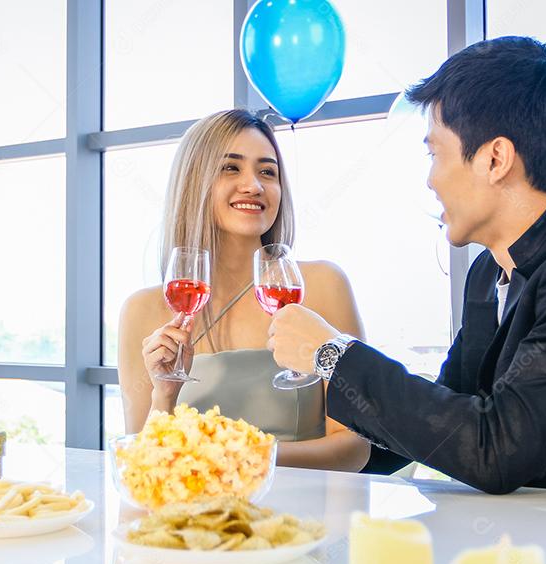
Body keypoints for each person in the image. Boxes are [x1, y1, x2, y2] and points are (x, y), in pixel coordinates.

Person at [265, 36, 546, 496]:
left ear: (495, 159)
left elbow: (496, 451)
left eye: (435, 153)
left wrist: (332, 354)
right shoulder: (489, 271)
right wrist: (262, 453)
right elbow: (447, 419)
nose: (430, 180)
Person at [117, 109, 371, 472]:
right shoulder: (142, 310)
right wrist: (164, 394)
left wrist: (241, 455)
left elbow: (354, 448)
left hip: (300, 522)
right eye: (230, 168)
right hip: (190, 522)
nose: (254, 185)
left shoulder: (323, 286)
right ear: (194, 183)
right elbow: (143, 466)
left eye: (268, 171)